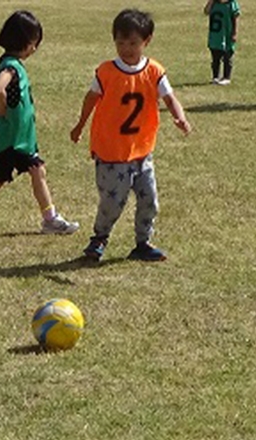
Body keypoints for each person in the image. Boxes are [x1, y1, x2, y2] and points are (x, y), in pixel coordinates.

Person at [70, 9, 191, 262]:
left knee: (150, 199)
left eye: (133, 43)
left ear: (147, 41)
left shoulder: (154, 71)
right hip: (112, 152)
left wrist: (180, 116)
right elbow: (91, 98)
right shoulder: (106, 72)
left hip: (141, 151)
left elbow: (169, 97)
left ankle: (143, 243)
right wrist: (80, 124)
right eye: (120, 43)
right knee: (112, 202)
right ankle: (99, 238)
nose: (126, 49)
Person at [0, 11, 79, 239]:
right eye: (35, 44)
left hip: (19, 138)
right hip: (11, 140)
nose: (35, 49)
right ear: (26, 43)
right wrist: (1, 104)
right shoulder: (11, 67)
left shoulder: (8, 62)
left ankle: (50, 218)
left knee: (37, 171)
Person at [204, 0, 240, 85]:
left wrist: (234, 32)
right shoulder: (214, 4)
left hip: (227, 33)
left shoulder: (231, 4)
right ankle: (215, 76)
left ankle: (226, 77)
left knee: (227, 56)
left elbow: (235, 17)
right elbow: (206, 11)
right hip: (215, 35)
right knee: (215, 58)